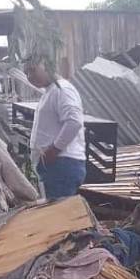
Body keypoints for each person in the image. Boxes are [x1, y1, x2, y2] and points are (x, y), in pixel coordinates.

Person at [25, 55, 86, 199]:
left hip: (61, 164)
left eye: (33, 70)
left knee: (58, 216)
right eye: (27, 73)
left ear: (47, 64)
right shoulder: (52, 90)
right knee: (55, 214)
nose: (29, 76)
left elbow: (74, 121)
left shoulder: (62, 90)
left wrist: (54, 150)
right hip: (56, 164)